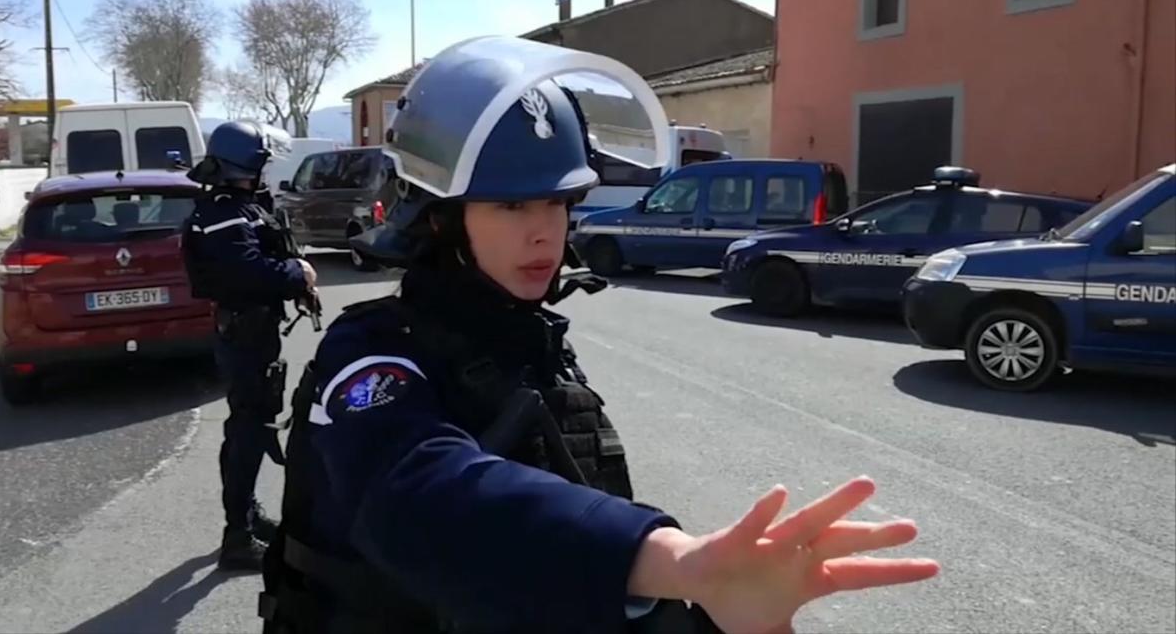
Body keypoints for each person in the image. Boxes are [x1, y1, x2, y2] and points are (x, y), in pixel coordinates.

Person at [258, 37, 939, 633]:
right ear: (439, 216)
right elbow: (420, 494)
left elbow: (568, 558)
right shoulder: (374, 351)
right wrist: (679, 560)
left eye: (558, 201)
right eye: (512, 203)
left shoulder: (533, 344)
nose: (544, 230)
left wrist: (712, 610)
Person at [181, 120, 318, 571]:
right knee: (247, 429)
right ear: (248, 163)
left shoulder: (238, 205)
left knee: (253, 424)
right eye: (262, 162)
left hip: (252, 330)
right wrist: (297, 274)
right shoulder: (223, 212)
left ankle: (244, 514)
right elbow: (249, 273)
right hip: (244, 332)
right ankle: (236, 536)